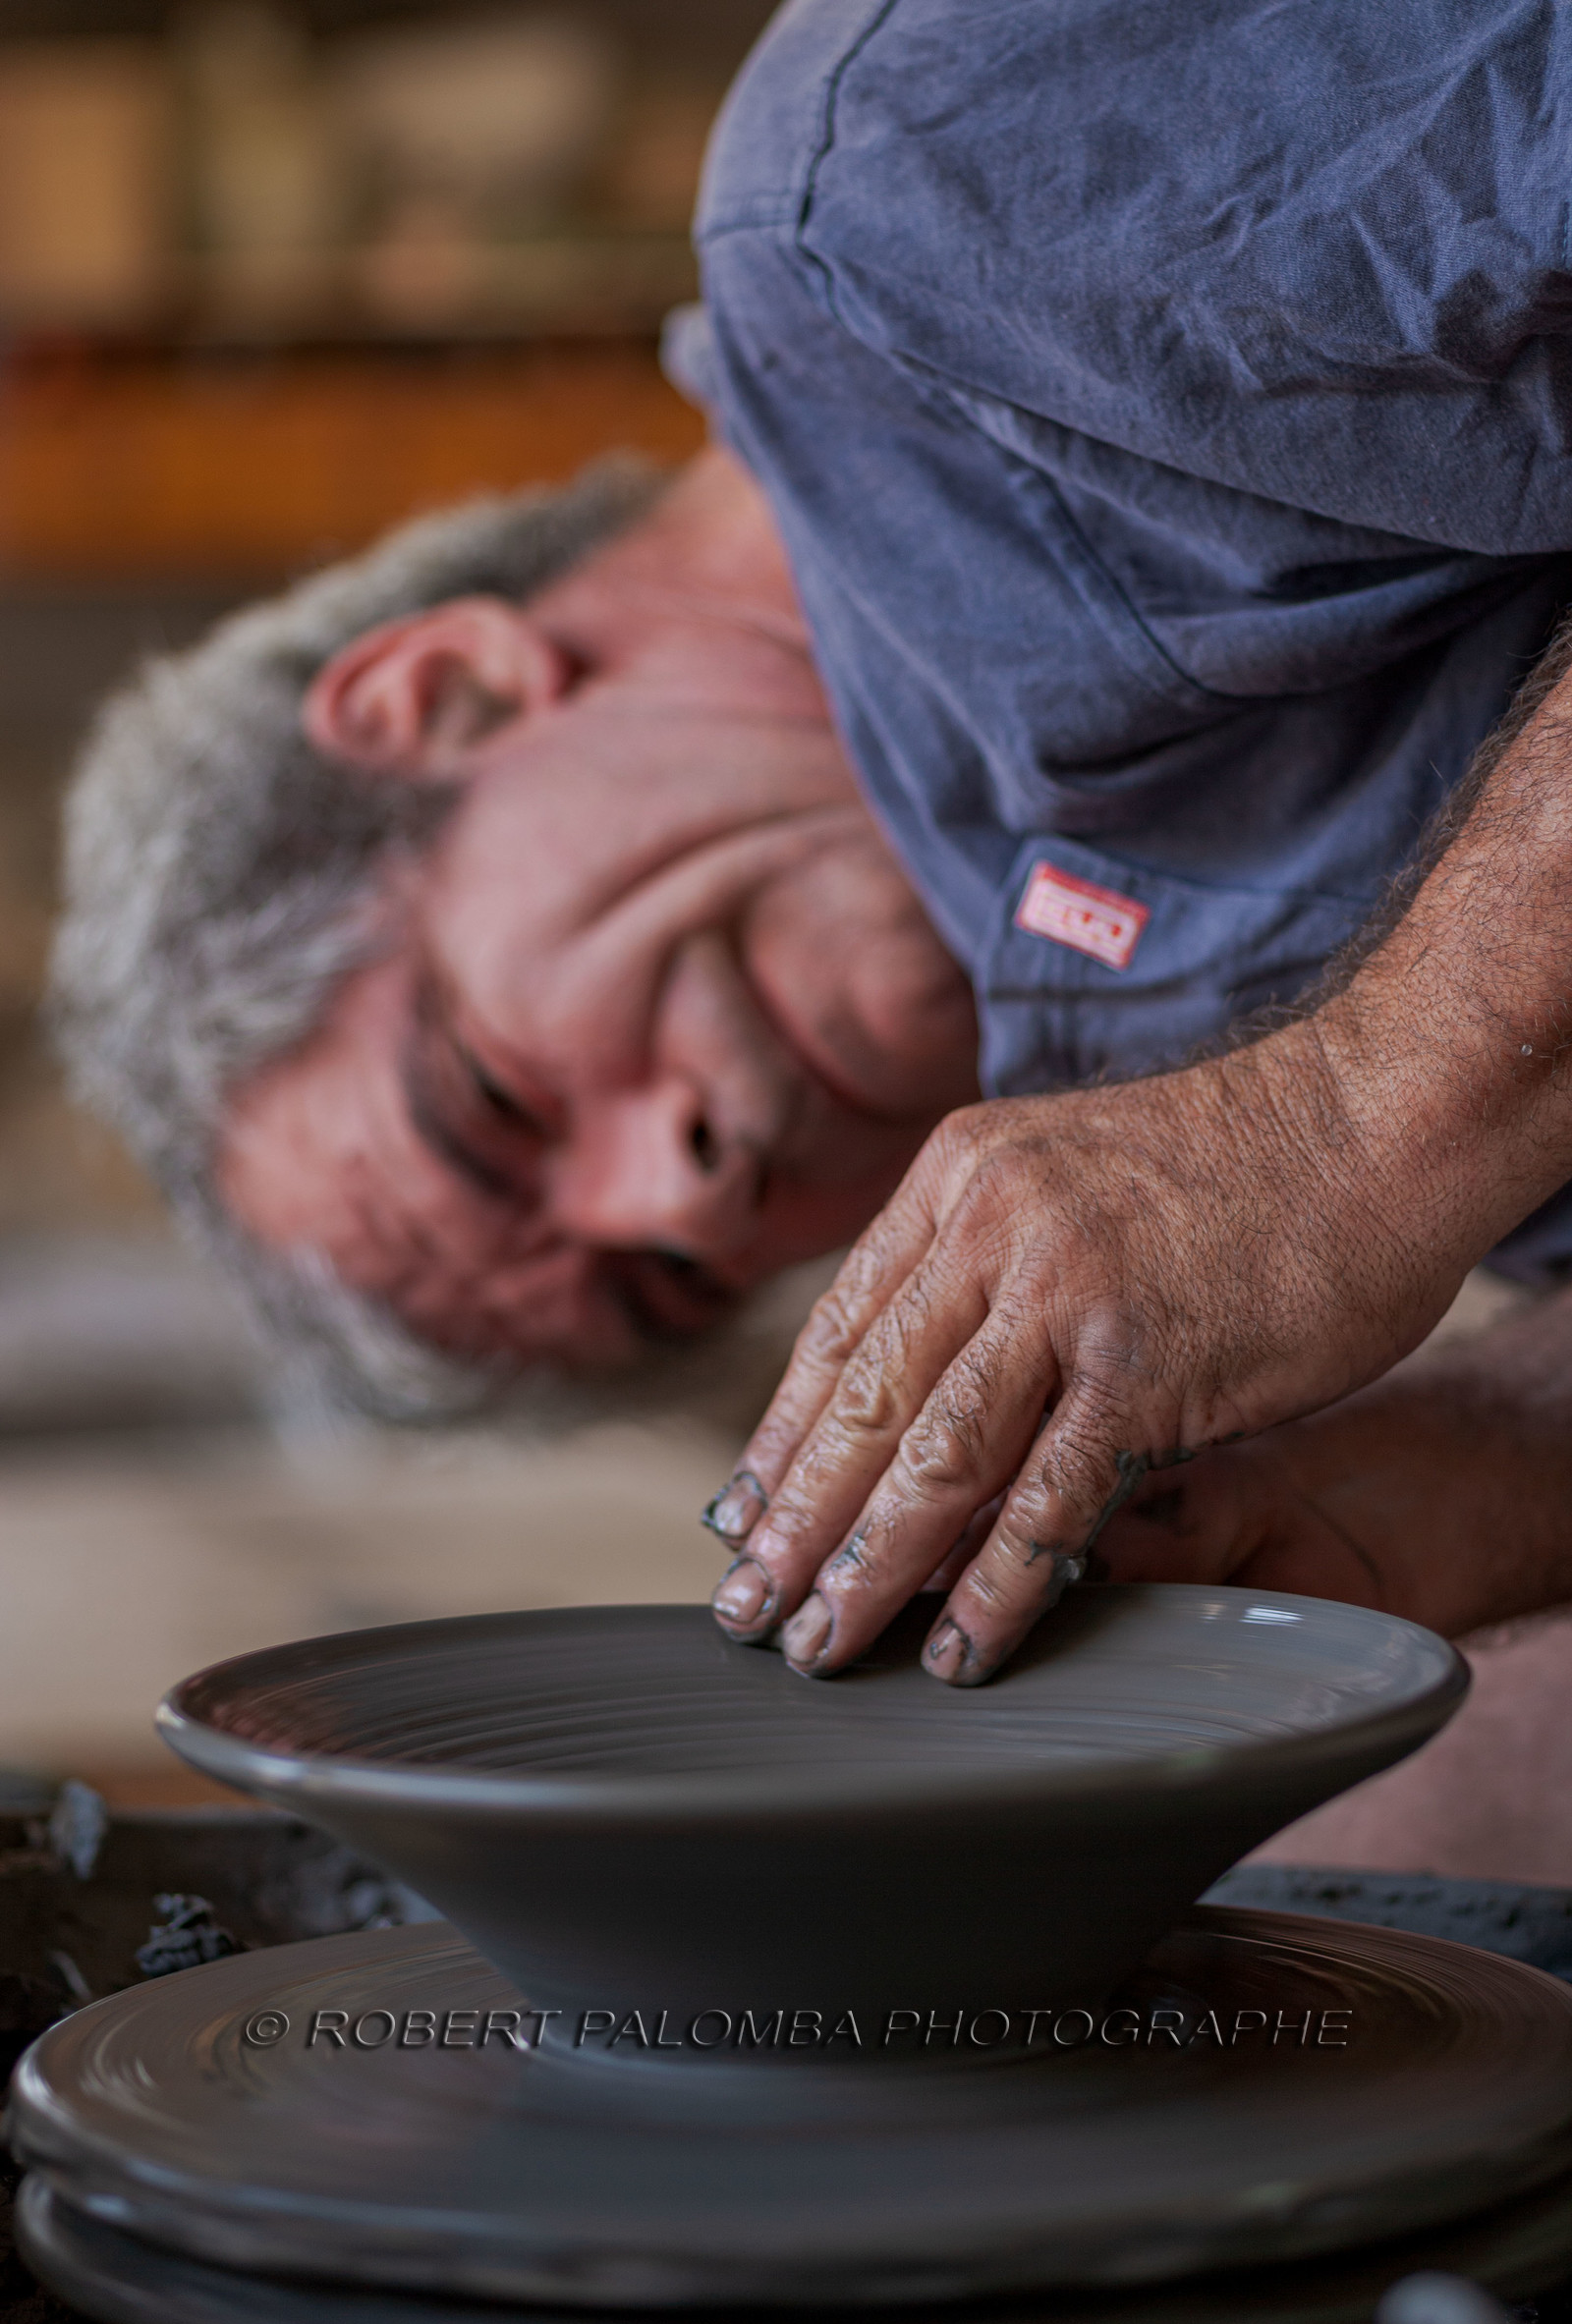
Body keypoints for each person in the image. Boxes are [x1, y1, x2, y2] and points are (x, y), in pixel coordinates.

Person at [53, 0, 1572, 1688]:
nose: (687, 1191)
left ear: (448, 700)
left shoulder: (918, 221)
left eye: (494, 1101)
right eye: (664, 1289)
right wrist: (1480, 1465)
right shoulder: (1133, 1082)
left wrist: (1370, 1108)